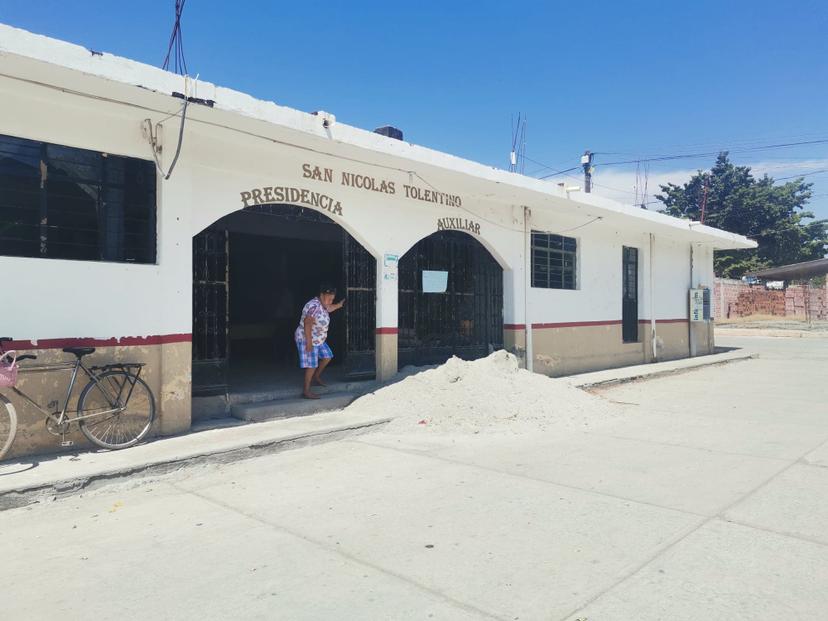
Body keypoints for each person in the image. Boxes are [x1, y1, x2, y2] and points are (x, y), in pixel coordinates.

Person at [295, 283, 345, 399]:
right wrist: (308, 343)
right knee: (312, 365)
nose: (330, 301)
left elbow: (329, 308)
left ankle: (316, 376)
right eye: (329, 298)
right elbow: (307, 324)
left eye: (332, 299)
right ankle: (306, 390)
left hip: (318, 339)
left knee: (327, 356)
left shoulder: (323, 304)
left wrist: (339, 305)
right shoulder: (314, 306)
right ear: (322, 295)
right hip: (307, 338)